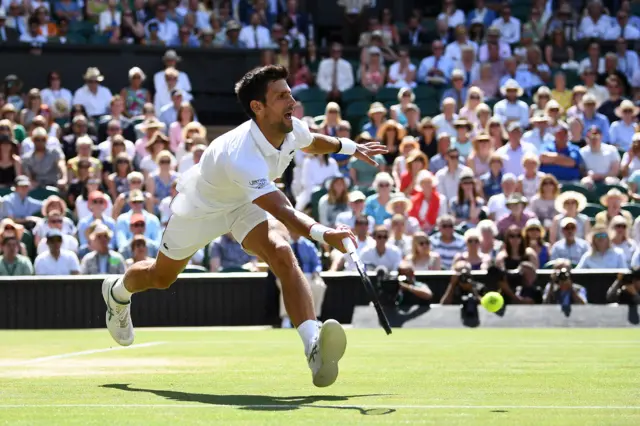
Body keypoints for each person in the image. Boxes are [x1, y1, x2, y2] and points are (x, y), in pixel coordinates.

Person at [100, 65, 385, 388]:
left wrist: (350, 147)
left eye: (290, 93)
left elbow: (311, 141)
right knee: (161, 277)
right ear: (258, 107)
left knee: (281, 253)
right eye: (281, 96)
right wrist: (323, 233)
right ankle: (117, 291)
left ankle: (313, 346)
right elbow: (283, 210)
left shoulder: (290, 126)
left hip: (243, 202)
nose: (291, 101)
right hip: (201, 209)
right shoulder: (241, 156)